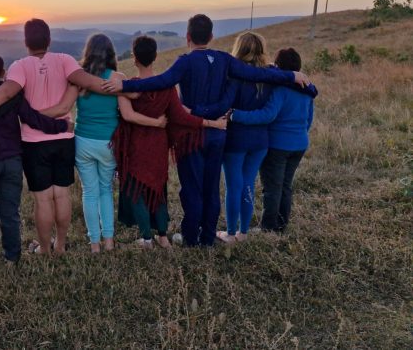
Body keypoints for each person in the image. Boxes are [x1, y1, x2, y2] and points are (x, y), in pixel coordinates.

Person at [103, 14, 310, 247]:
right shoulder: (224, 59)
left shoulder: (186, 61)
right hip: (218, 134)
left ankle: (191, 237)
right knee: (211, 188)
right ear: (211, 36)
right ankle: (208, 237)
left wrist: (126, 85)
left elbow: (162, 81)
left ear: (188, 36)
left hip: (190, 136)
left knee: (191, 188)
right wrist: (290, 75)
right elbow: (258, 73)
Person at [0, 19, 112, 255]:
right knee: (61, 195)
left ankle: (44, 249)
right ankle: (60, 245)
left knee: (43, 200)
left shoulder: (20, 66)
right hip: (63, 138)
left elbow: (4, 93)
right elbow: (93, 83)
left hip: (33, 143)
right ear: (49, 39)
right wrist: (127, 87)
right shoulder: (65, 60)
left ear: (26, 42)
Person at [193, 33, 318, 244]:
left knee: (234, 186)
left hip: (235, 139)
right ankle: (244, 232)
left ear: (238, 50)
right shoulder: (270, 76)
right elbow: (298, 87)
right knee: (249, 183)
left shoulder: (232, 75)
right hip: (260, 141)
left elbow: (225, 103)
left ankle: (231, 233)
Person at [111, 36, 226, 249]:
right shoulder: (167, 87)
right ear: (155, 57)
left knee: (137, 190)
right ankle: (163, 236)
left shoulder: (128, 87)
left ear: (134, 58)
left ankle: (147, 238)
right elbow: (181, 117)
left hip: (136, 145)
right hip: (158, 145)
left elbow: (126, 116)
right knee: (158, 188)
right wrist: (211, 123)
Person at [0, 52, 71, 265]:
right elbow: (34, 119)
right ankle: (12, 256)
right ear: (3, 73)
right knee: (10, 210)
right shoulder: (14, 94)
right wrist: (62, 125)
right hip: (13, 159)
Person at [73, 34, 169, 253]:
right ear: (111, 54)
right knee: (106, 190)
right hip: (108, 142)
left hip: (83, 140)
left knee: (89, 192)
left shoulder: (79, 78)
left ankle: (94, 243)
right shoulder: (117, 78)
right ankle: (109, 241)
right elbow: (127, 113)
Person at [229, 48, 314, 233]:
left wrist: (236, 115)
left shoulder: (280, 89)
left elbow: (268, 115)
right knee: (285, 186)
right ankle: (281, 225)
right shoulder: (307, 89)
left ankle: (268, 228)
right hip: (300, 144)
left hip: (278, 145)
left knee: (272, 188)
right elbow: (309, 119)